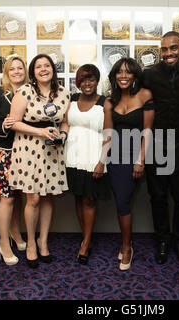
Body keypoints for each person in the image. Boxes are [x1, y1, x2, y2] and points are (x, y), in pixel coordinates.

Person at [142, 31, 179, 264]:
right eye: (165, 49)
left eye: (174, 48)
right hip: (157, 142)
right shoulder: (148, 75)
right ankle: (163, 240)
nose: (169, 53)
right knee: (157, 196)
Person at [8, 54, 70, 268]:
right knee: (33, 199)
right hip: (28, 150)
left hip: (52, 152)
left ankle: (44, 242)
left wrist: (63, 135)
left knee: (47, 198)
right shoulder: (24, 91)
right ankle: (32, 243)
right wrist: (40, 132)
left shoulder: (64, 93)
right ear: (33, 72)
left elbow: (65, 123)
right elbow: (13, 123)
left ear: (53, 69)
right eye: (38, 66)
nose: (43, 69)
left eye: (47, 65)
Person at [101, 58, 154, 271]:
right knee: (121, 202)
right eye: (119, 72)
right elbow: (108, 134)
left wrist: (140, 160)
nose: (123, 76)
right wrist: (101, 161)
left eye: (128, 72)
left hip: (135, 156)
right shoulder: (109, 101)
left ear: (134, 76)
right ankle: (127, 243)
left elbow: (148, 131)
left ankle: (126, 247)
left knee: (123, 201)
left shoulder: (145, 96)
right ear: (114, 76)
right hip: (115, 158)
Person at [61, 64, 111, 265]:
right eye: (83, 80)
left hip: (93, 157)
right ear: (78, 82)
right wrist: (62, 136)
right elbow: (66, 123)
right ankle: (86, 238)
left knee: (90, 199)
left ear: (97, 81)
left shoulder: (105, 102)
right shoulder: (71, 100)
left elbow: (109, 134)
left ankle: (86, 241)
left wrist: (102, 161)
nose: (87, 83)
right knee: (79, 197)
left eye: (91, 79)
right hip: (71, 155)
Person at [0, 57, 28, 266]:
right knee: (7, 198)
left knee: (18, 196)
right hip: (0, 151)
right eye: (13, 68)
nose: (17, 72)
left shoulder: (30, 92)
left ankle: (15, 233)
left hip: (23, 150)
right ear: (6, 72)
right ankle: (3, 243)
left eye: (20, 68)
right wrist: (2, 124)